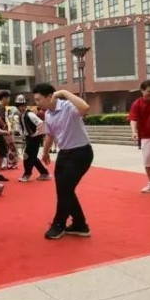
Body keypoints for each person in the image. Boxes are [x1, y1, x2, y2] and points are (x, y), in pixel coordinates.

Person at [33, 83, 92, 240]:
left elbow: (85, 108)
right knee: (64, 190)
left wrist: (64, 92)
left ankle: (59, 224)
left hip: (80, 153)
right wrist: (45, 152)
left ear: (50, 96)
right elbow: (50, 134)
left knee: (65, 190)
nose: (37, 103)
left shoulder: (67, 106)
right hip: (64, 154)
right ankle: (80, 224)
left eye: (39, 99)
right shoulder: (48, 114)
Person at [15, 94, 51, 183]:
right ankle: (44, 173)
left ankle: (27, 174)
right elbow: (20, 127)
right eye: (19, 106)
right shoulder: (20, 115)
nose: (21, 107)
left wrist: (36, 134)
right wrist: (22, 134)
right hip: (29, 138)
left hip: (34, 138)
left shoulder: (30, 114)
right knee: (33, 157)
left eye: (22, 105)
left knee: (26, 156)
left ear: (25, 105)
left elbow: (41, 123)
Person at [0, 91, 11, 179]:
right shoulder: (0, 106)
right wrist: (4, 126)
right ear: (4, 98)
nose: (8, 100)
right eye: (8, 98)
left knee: (0, 151)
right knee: (0, 151)